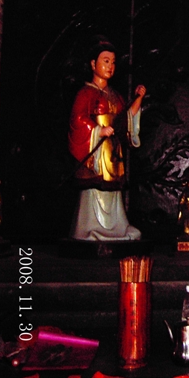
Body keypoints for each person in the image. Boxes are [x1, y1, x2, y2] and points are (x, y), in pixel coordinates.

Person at [68, 36, 146, 240]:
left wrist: (138, 99)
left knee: (112, 191)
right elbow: (77, 119)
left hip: (112, 152)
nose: (110, 66)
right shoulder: (85, 93)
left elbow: (126, 118)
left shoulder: (115, 95)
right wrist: (97, 130)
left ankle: (117, 228)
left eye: (113, 62)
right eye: (105, 61)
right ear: (93, 64)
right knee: (94, 189)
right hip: (95, 150)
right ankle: (90, 228)